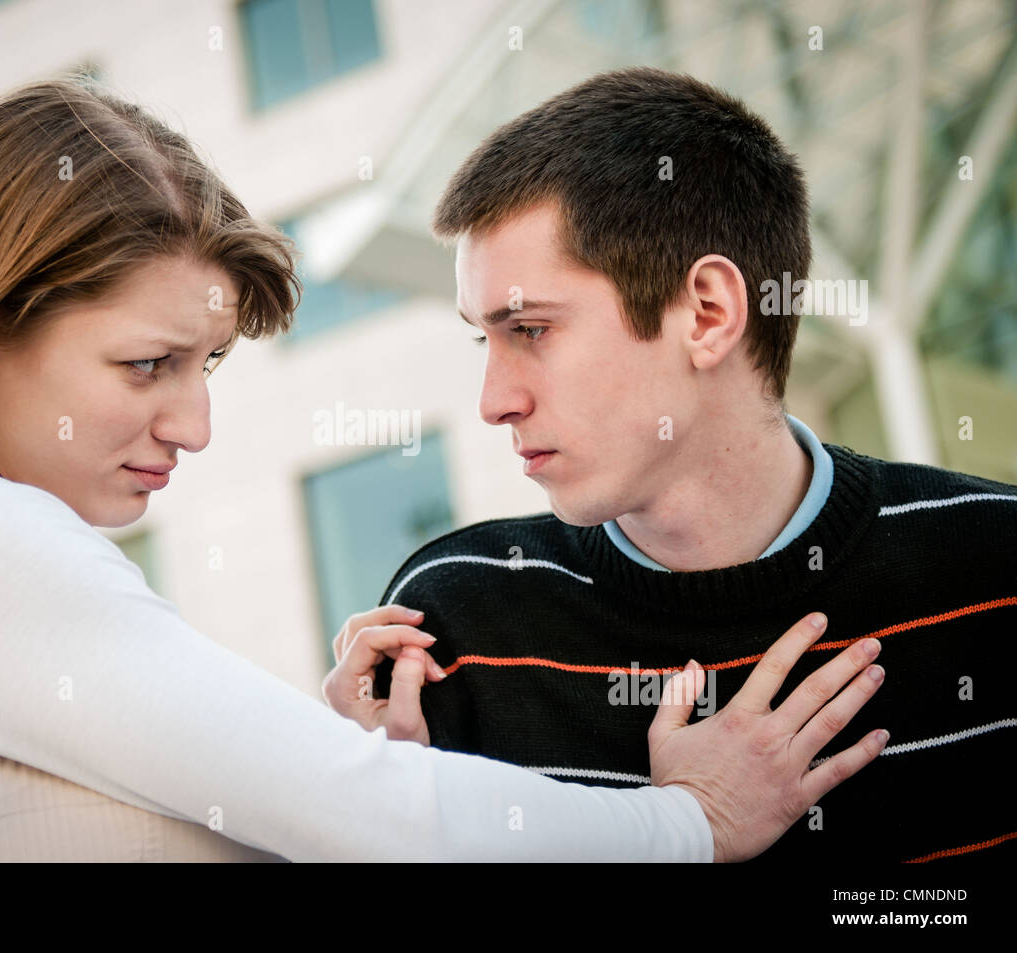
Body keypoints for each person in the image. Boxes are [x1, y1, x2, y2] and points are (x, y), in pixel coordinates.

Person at [0, 78, 887, 863]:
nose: (192, 423)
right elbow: (362, 815)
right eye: (146, 363)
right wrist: (693, 819)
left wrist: (314, 738)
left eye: (202, 366)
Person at [327, 67, 1017, 864]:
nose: (494, 400)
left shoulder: (994, 566)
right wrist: (383, 826)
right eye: (485, 338)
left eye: (531, 329)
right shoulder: (452, 627)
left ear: (708, 314)